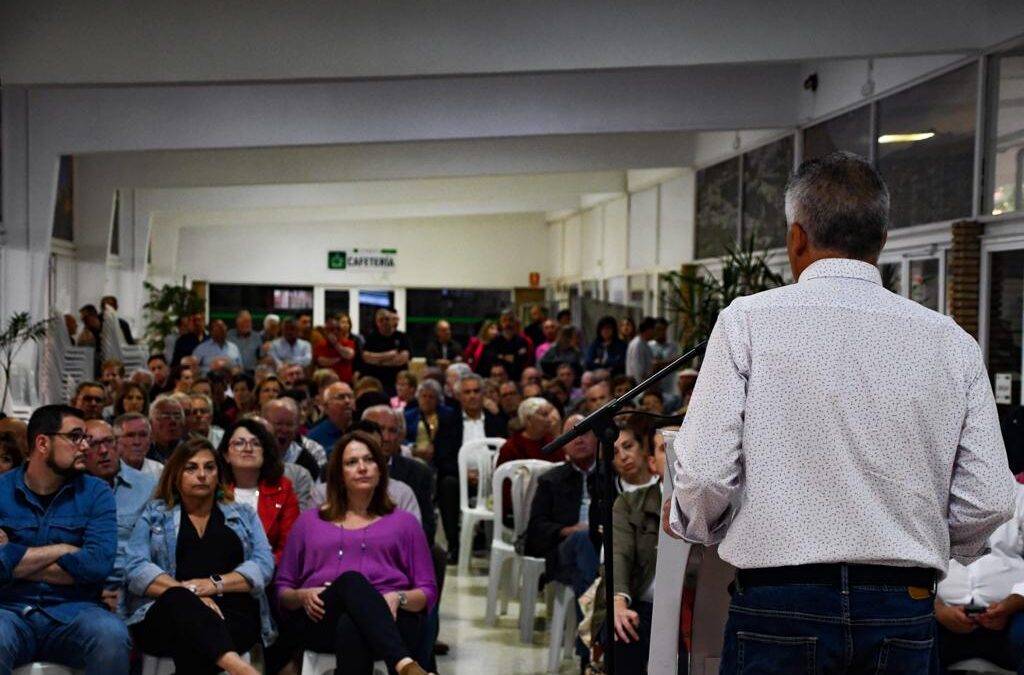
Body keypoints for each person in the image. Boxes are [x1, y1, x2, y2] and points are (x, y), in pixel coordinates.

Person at [667, 151, 1015, 672]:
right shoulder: (950, 342)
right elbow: (988, 498)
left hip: (780, 600)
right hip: (902, 603)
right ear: (881, 240)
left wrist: (696, 524)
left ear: (796, 238)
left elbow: (704, 476)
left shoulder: (749, 322)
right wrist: (930, 540)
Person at [274, 431, 437, 675]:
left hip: (392, 618)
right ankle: (405, 665)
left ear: (380, 469)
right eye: (351, 462)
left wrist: (399, 598)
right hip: (321, 616)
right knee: (351, 581)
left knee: (352, 623)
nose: (362, 468)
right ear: (339, 475)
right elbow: (282, 588)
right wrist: (302, 595)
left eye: (369, 460)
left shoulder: (405, 523)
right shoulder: (309, 522)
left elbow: (427, 590)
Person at [124, 438, 273, 675]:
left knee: (196, 640)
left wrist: (214, 584)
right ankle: (243, 670)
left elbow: (263, 564)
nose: (202, 475)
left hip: (231, 613)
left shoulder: (243, 514)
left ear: (218, 474)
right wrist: (189, 595)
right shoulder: (156, 514)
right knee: (181, 605)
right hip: (167, 615)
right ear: (176, 474)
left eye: (209, 467)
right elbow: (135, 566)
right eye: (191, 468)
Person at [0, 404, 131, 674]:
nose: (85, 446)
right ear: (42, 443)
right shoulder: (2, 490)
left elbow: (97, 564)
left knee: (111, 635)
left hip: (74, 611)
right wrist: (63, 549)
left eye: (85, 438)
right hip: (8, 609)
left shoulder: (96, 493)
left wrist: (12, 558)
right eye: (75, 437)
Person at [594, 424, 682, 675]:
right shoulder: (629, 504)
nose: (677, 454)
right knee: (623, 631)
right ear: (653, 462)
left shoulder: (713, 506)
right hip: (643, 605)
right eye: (666, 448)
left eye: (682, 445)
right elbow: (618, 555)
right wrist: (618, 602)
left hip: (694, 611)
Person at [934, 477, 1024, 672]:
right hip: (940, 613)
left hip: (1012, 613)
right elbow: (915, 561)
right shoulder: (932, 495)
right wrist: (938, 609)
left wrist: (1014, 602)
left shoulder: (1020, 496)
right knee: (910, 634)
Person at [82, 418, 158, 614]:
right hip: (85, 593)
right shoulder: (70, 492)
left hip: (138, 590)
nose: (103, 451)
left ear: (118, 444)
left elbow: (161, 551)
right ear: (81, 450)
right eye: (93, 444)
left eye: (108, 441)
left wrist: (127, 594)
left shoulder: (149, 487)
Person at [525, 414, 599, 602]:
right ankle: (594, 617)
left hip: (605, 546)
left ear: (597, 437)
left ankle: (589, 617)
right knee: (583, 540)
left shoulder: (611, 475)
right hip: (565, 549)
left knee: (582, 571)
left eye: (584, 432)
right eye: (572, 435)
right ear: (563, 444)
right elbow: (536, 527)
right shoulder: (551, 480)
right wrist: (569, 531)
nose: (579, 439)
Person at [217, 419, 300, 564]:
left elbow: (291, 545)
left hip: (270, 571)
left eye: (256, 443)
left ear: (265, 452)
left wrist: (260, 569)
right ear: (226, 455)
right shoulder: (215, 490)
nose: (248, 448)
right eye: (239, 443)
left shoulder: (283, 489)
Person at [362, 406, 436, 544]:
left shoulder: (419, 473)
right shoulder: (334, 471)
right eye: (380, 429)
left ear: (400, 436)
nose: (386, 438)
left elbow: (426, 531)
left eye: (392, 431)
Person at [263, 397, 327, 484]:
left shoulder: (306, 461)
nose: (284, 430)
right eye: (278, 424)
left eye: (289, 425)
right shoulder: (252, 452)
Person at [361, 308, 412, 396]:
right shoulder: (371, 338)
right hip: (375, 381)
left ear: (392, 320)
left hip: (396, 381)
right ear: (377, 322)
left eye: (387, 319)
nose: (385, 322)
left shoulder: (402, 337)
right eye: (381, 320)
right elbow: (366, 357)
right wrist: (389, 355)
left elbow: (402, 359)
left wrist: (378, 361)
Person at [496, 397, 560, 466]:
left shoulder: (550, 439)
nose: (550, 419)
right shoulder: (511, 448)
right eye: (544, 415)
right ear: (528, 420)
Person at [481, 309, 531, 383]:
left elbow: (521, 361)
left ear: (515, 322)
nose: (507, 323)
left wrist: (502, 356)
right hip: (497, 379)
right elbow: (492, 359)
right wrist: (510, 358)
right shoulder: (494, 341)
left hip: (516, 379)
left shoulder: (522, 341)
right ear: (501, 323)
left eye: (510, 320)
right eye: (504, 320)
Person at [307, 381, 356, 454]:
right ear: (326, 406)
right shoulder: (314, 438)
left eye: (350, 396)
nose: (347, 401)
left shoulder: (362, 430)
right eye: (341, 397)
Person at [114, 412, 165, 478]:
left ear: (150, 439)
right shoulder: (109, 473)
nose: (137, 442)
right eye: (130, 435)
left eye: (143, 435)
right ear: (116, 440)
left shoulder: (160, 471)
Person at [314, 316, 356, 385]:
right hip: (326, 383)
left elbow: (349, 355)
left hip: (345, 382)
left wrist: (336, 344)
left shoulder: (348, 343)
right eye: (331, 329)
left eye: (338, 329)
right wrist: (340, 359)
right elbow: (322, 361)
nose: (335, 332)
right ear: (326, 331)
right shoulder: (320, 345)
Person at [147, 395, 188, 464]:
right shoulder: (143, 452)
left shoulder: (192, 450)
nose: (173, 421)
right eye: (165, 416)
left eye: (177, 416)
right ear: (150, 423)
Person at [648, 318, 680, 400]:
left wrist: (659, 363)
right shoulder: (649, 345)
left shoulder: (673, 346)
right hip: (653, 386)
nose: (660, 332)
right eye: (658, 329)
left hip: (669, 385)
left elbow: (677, 361)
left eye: (663, 329)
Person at [624, 317, 656, 382]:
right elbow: (637, 369)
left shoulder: (644, 344)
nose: (655, 332)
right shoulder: (637, 344)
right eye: (654, 330)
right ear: (649, 330)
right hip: (639, 384)